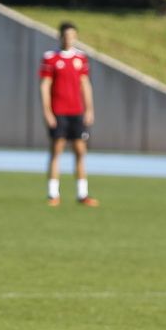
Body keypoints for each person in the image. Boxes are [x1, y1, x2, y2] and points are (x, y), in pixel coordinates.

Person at [38, 21, 98, 207]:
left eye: (72, 36)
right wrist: (47, 111)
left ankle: (82, 194)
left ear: (76, 37)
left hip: (76, 112)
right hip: (58, 112)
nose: (68, 39)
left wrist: (89, 108)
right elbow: (45, 86)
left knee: (80, 151)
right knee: (57, 150)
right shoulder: (50, 58)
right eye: (65, 36)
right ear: (60, 37)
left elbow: (85, 84)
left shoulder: (81, 59)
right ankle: (53, 194)